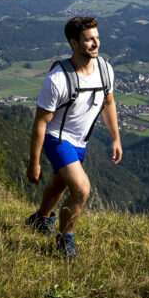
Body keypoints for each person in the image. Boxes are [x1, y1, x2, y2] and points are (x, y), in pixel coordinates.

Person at [25, 16, 122, 258]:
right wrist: (34, 162)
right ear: (73, 43)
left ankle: (40, 219)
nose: (96, 44)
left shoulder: (105, 70)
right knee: (80, 189)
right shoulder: (57, 79)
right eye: (89, 40)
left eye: (97, 38)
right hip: (57, 138)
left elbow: (108, 104)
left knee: (59, 183)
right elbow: (40, 123)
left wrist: (116, 138)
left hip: (81, 141)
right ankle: (64, 240)